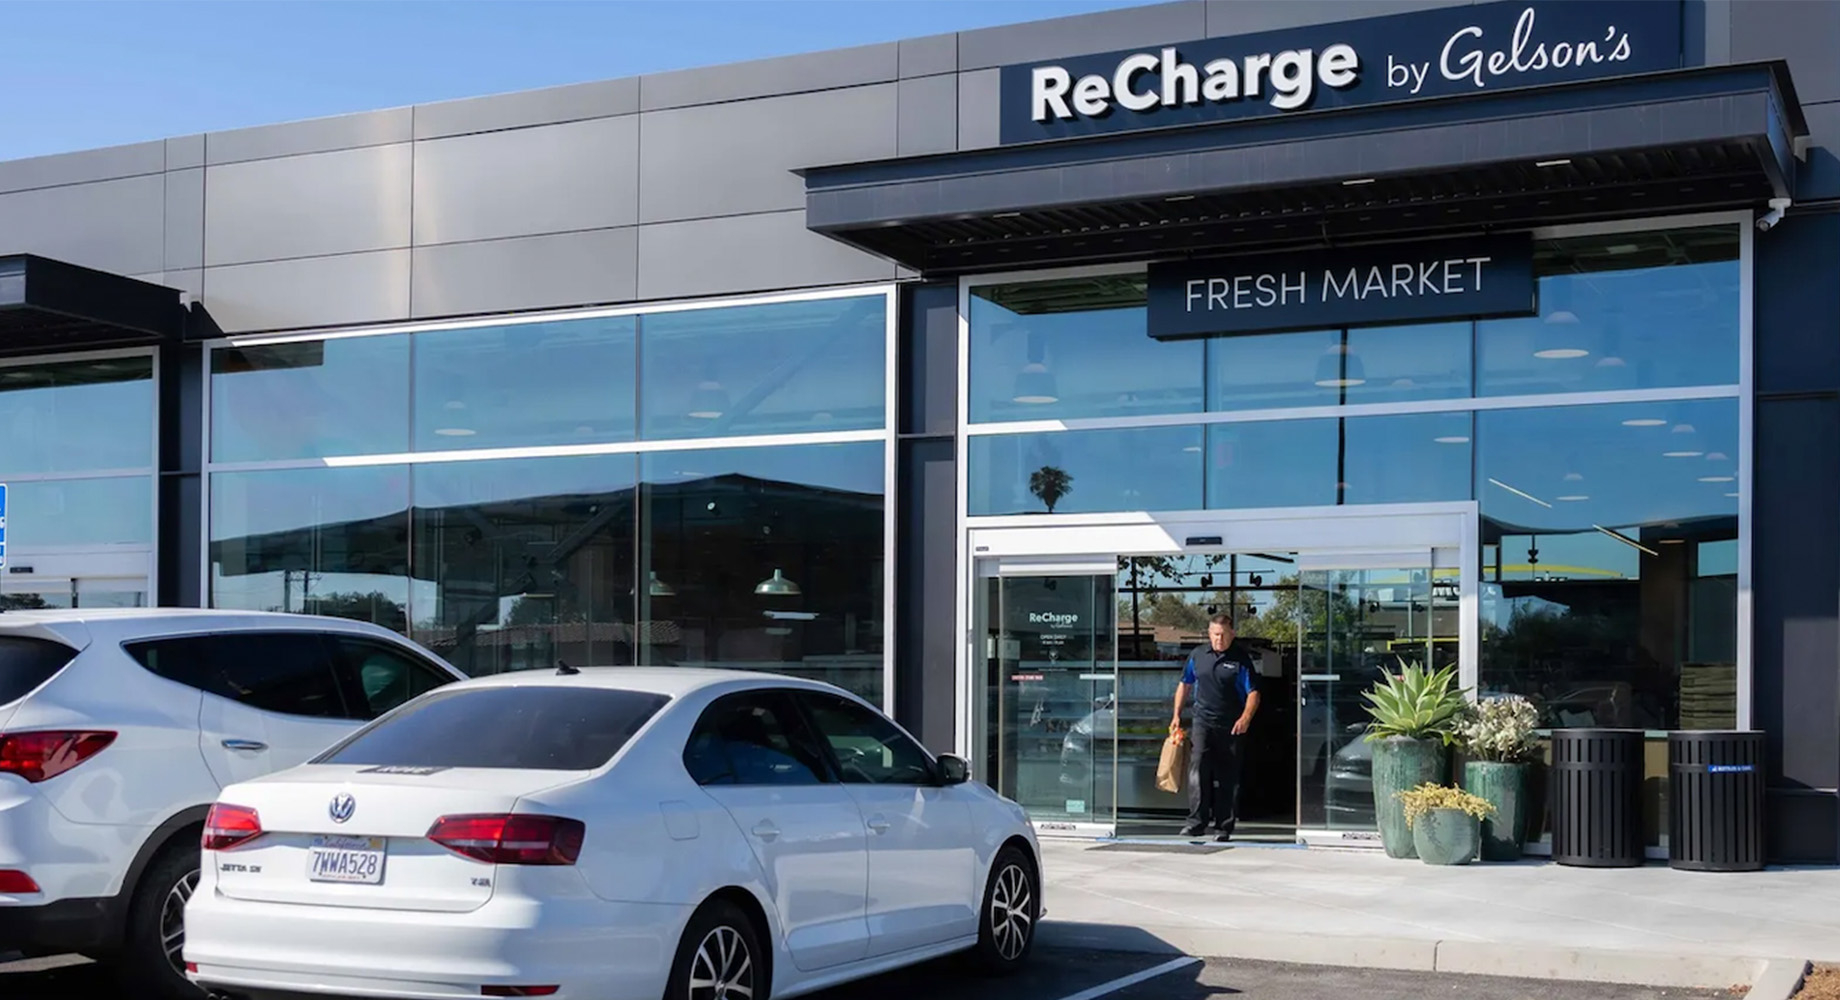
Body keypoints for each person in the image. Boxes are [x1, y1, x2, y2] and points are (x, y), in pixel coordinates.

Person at [1170, 614, 1261, 841]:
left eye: (1223, 634)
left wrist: (1246, 718)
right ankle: (1196, 822)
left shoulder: (1240, 660)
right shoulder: (1198, 655)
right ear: (1209, 634)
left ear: (1232, 634)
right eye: (1215, 634)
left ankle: (1223, 826)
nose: (1219, 639)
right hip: (1203, 721)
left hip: (1231, 724)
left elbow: (1253, 693)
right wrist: (1176, 714)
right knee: (1198, 769)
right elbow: (1185, 684)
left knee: (1227, 776)